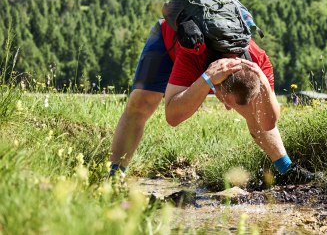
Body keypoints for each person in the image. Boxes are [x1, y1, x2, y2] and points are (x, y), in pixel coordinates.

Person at [109, 16, 315, 185]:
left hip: (231, 69)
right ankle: (114, 176)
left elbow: (269, 122)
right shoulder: (192, 56)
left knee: (255, 110)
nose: (226, 108)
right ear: (216, 88)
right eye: (227, 102)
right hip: (169, 39)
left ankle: (287, 169)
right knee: (141, 104)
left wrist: (261, 81)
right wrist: (206, 79)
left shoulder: (259, 61)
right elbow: (172, 116)